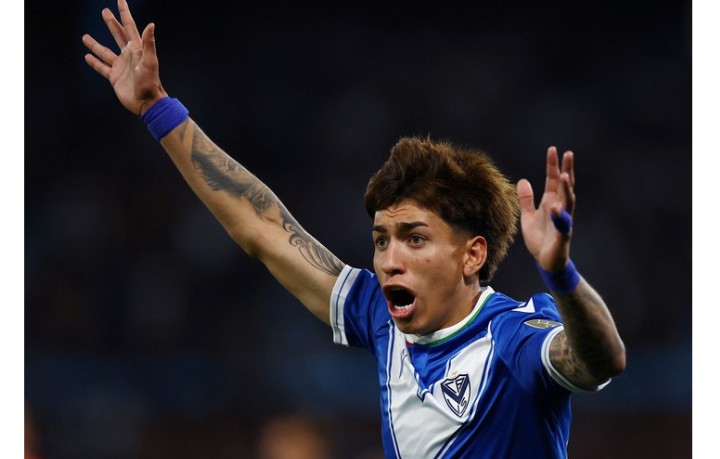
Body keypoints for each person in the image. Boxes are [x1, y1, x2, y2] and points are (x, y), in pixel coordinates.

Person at [82, 1, 626, 457]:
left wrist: (561, 273)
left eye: (415, 238)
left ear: (472, 255)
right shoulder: (380, 318)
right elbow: (264, 227)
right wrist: (158, 109)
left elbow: (601, 361)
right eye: (381, 240)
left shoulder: (513, 338)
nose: (389, 259)